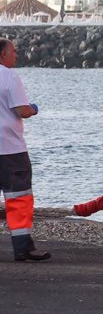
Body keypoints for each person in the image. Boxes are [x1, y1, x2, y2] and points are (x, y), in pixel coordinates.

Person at [0, 38, 50, 262]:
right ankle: (22, 248)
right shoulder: (9, 76)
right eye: (13, 51)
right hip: (11, 149)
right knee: (18, 199)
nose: (16, 55)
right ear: (2, 54)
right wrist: (34, 109)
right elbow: (21, 110)